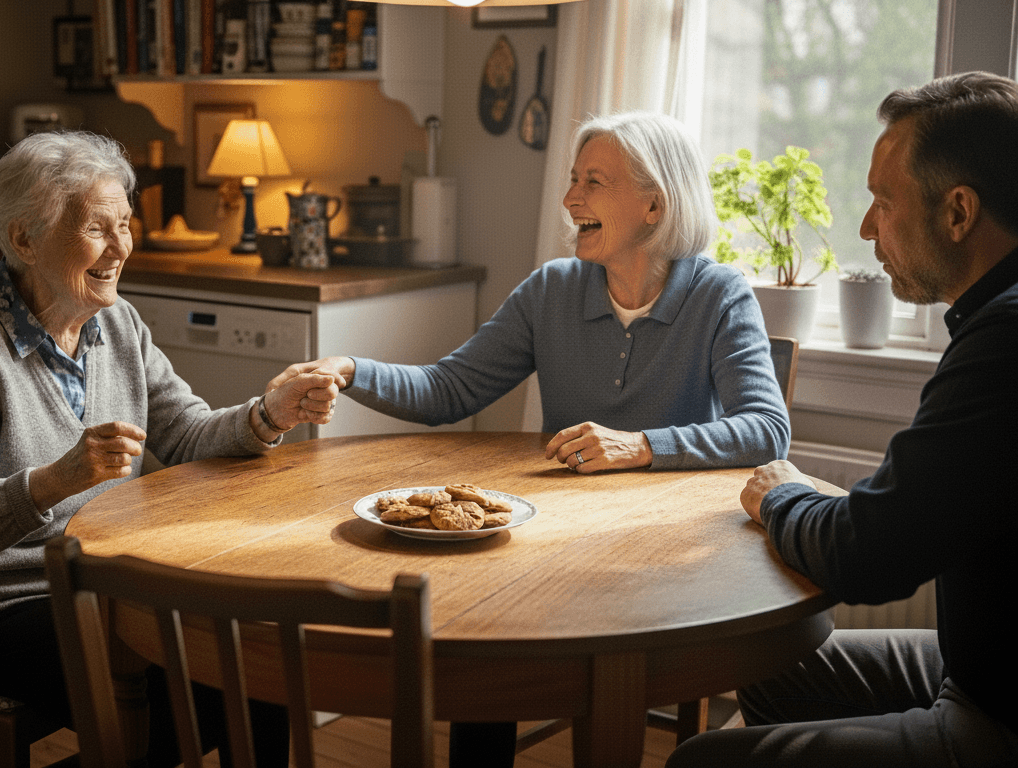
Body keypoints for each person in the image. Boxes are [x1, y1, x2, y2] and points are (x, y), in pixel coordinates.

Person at [272, 111, 791, 766]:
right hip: (556, 550)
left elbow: (767, 430)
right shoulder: (552, 288)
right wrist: (349, 369)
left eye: (593, 182)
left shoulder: (719, 294)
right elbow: (449, 389)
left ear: (654, 204)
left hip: (667, 564)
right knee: (489, 647)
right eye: (573, 180)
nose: (571, 199)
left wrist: (641, 445)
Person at [0, 130, 337, 767]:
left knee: (258, 661)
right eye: (99, 229)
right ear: (24, 240)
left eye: (126, 224)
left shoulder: (116, 323)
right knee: (179, 690)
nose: (122, 247)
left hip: (94, 584)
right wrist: (52, 480)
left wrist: (267, 414)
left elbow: (184, 434)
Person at [667, 71, 1018, 768]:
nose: (866, 228)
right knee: (770, 660)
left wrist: (779, 496)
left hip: (1000, 717)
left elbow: (869, 553)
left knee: (696, 761)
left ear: (958, 212)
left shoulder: (1003, 345)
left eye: (883, 201)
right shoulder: (993, 322)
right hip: (977, 671)